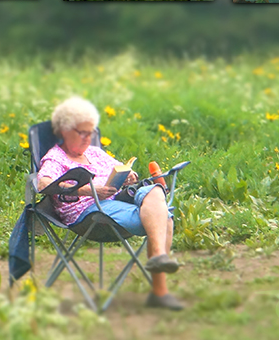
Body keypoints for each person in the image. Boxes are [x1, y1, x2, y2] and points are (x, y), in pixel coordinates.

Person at [37, 96, 184, 310]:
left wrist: (129, 175)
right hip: (89, 213)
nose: (88, 139)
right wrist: (88, 190)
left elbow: (120, 168)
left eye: (91, 133)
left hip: (118, 200)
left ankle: (159, 258)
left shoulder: (95, 153)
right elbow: (43, 184)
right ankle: (159, 291)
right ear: (64, 131)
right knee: (165, 219)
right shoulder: (55, 159)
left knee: (154, 191)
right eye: (82, 133)